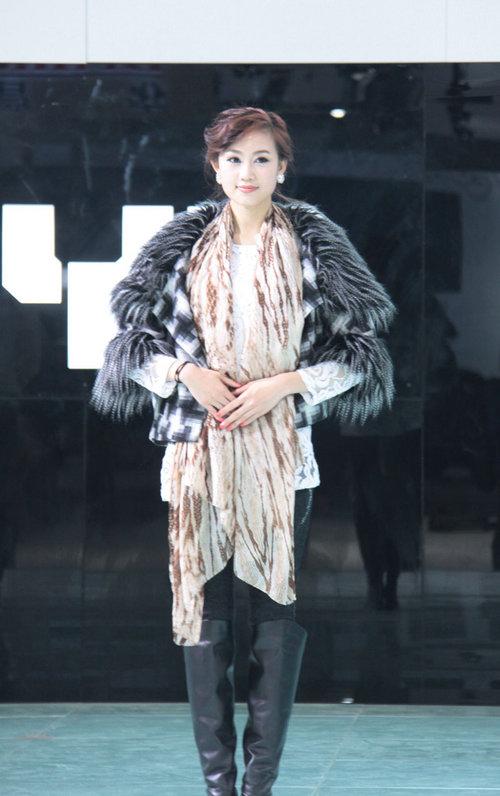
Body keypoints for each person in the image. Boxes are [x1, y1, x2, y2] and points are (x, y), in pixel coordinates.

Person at [90, 107, 396, 796]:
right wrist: (186, 374)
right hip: (196, 452)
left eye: (261, 158)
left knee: (273, 615)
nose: (246, 172)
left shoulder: (314, 249)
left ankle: (259, 785)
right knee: (206, 615)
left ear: (283, 169)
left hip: (282, 456)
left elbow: (359, 354)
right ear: (215, 167)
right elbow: (131, 345)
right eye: (233, 159)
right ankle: (218, 785)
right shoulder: (180, 248)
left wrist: (283, 386)